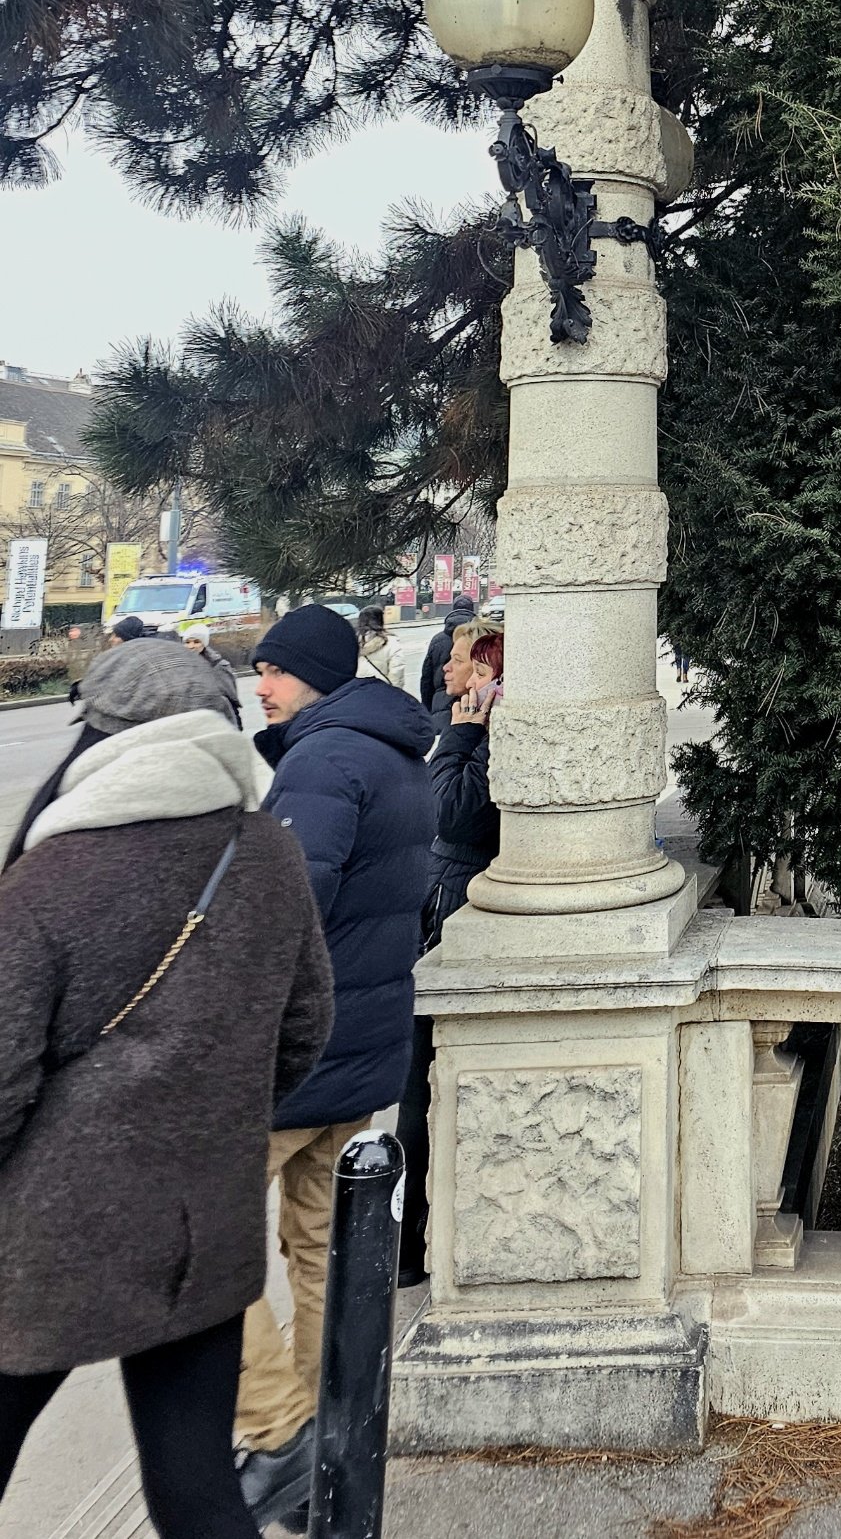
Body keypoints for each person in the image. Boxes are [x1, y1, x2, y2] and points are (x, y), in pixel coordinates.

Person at [0, 640, 333, 1539]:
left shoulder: (49, 876)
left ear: (99, 733)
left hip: (47, 1237)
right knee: (197, 1493)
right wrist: (211, 1111)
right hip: (201, 1221)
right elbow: (305, 1029)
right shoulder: (264, 851)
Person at [234, 603, 433, 1528]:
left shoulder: (320, 762)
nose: (260, 686)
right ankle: (332, 1435)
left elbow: (284, 909)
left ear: (314, 675)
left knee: (195, 1242)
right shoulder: (392, 752)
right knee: (319, 1249)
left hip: (296, 1053)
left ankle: (275, 1431)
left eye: (273, 671)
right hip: (360, 1047)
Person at [395, 618, 502, 1281]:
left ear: (486, 675)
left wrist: (461, 734)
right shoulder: (476, 722)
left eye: (459, 662)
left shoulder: (489, 728)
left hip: (456, 903)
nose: (445, 670)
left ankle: (411, 1246)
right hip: (446, 895)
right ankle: (411, 1242)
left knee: (420, 1087)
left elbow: (452, 814)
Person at [417, 597, 476, 728]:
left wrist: (427, 709)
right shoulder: (477, 637)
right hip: (471, 700)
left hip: (440, 701)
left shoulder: (438, 640)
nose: (446, 668)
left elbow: (426, 679)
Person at [182, 630, 244, 721]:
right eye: (187, 642)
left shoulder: (218, 666)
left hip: (218, 720)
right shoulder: (181, 667)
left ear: (204, 644)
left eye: (196, 642)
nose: (191, 646)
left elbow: (230, 701)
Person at [351, 604, 401, 687]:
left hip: (357, 691)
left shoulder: (352, 642)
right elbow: (397, 672)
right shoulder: (391, 642)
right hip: (382, 691)